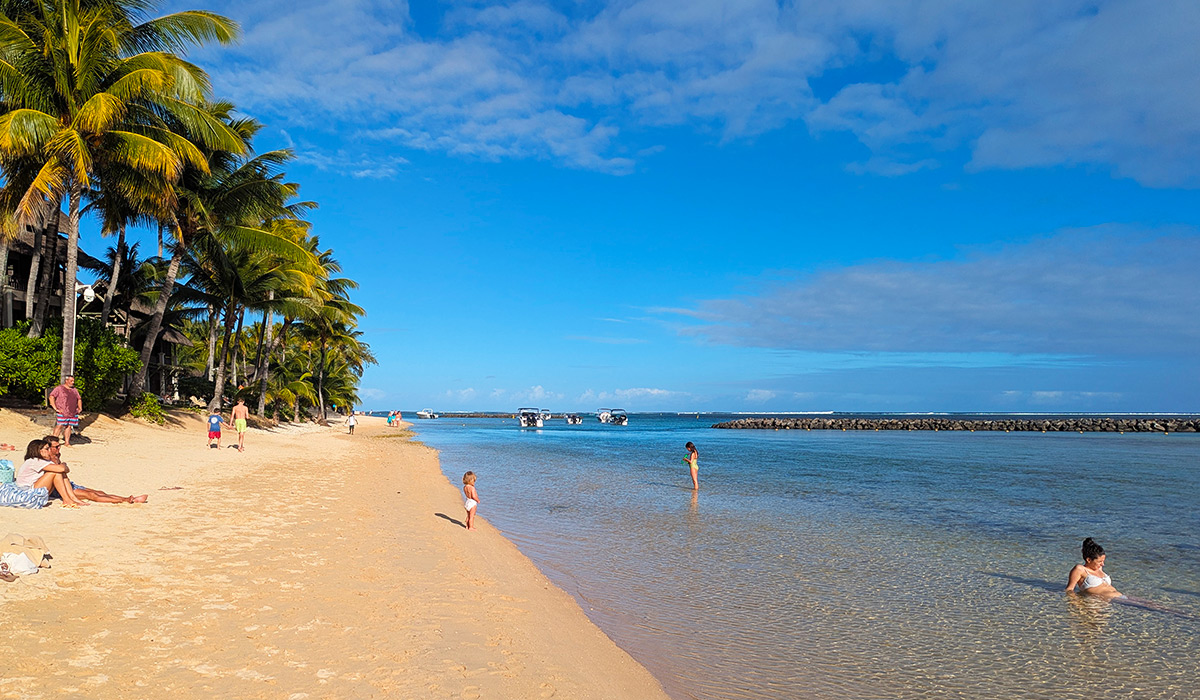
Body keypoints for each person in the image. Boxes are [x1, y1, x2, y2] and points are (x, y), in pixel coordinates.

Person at [41, 436, 147, 504]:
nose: (59, 448)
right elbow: (62, 470)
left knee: (98, 492)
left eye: (59, 446)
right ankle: (127, 500)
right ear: (48, 448)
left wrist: (63, 466)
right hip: (58, 489)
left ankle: (126, 498)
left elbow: (65, 470)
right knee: (91, 495)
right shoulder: (45, 459)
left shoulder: (56, 455)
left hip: (68, 483)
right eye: (56, 447)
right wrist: (63, 466)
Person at [49, 375, 82, 447]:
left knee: (69, 426)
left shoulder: (74, 390)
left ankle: (67, 442)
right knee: (59, 425)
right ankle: (53, 442)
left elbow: (79, 398)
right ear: (66, 381)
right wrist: (55, 407)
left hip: (72, 411)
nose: (72, 382)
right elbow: (51, 396)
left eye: (73, 381)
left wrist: (80, 408)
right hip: (62, 411)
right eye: (71, 381)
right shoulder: (59, 388)